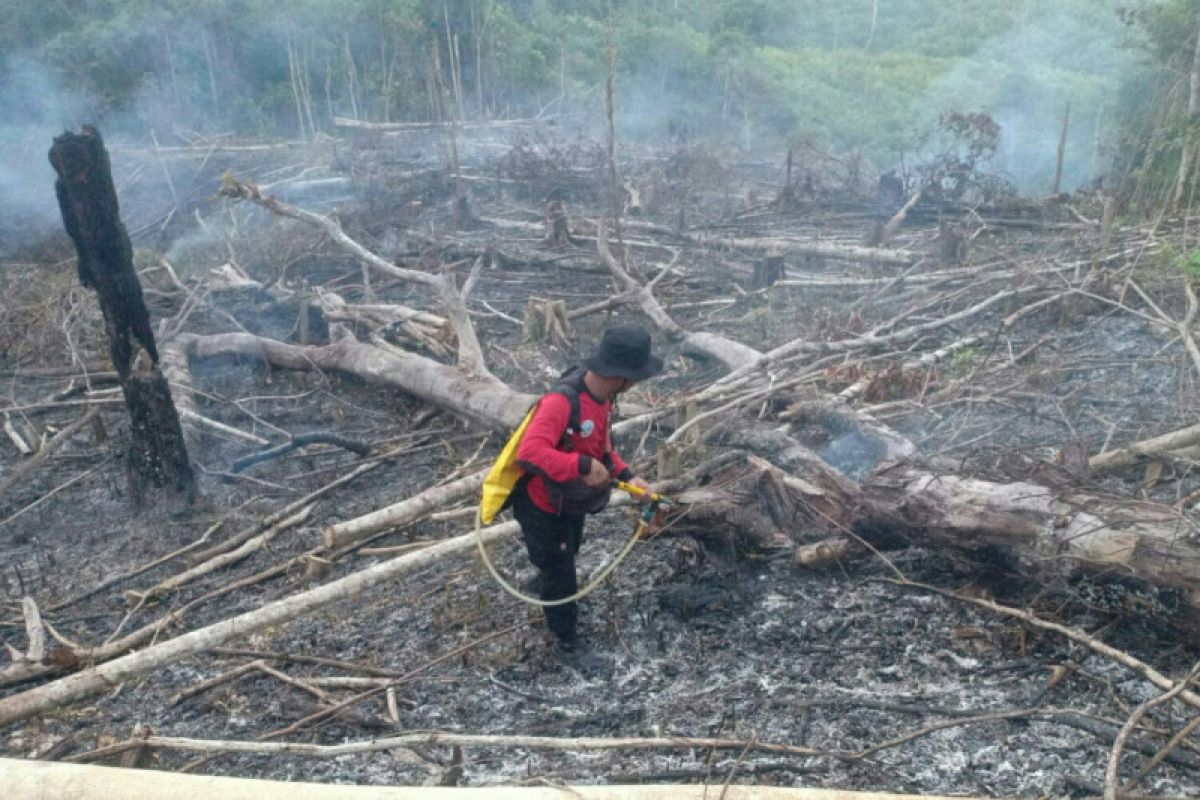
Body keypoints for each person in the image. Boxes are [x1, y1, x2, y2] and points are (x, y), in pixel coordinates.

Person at [513, 324, 663, 655]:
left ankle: (548, 579)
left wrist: (627, 475)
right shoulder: (561, 402)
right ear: (621, 375)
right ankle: (566, 642)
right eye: (636, 377)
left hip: (570, 502)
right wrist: (580, 466)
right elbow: (530, 452)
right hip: (542, 507)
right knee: (561, 572)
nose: (637, 383)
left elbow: (602, 448)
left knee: (567, 554)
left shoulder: (604, 399)